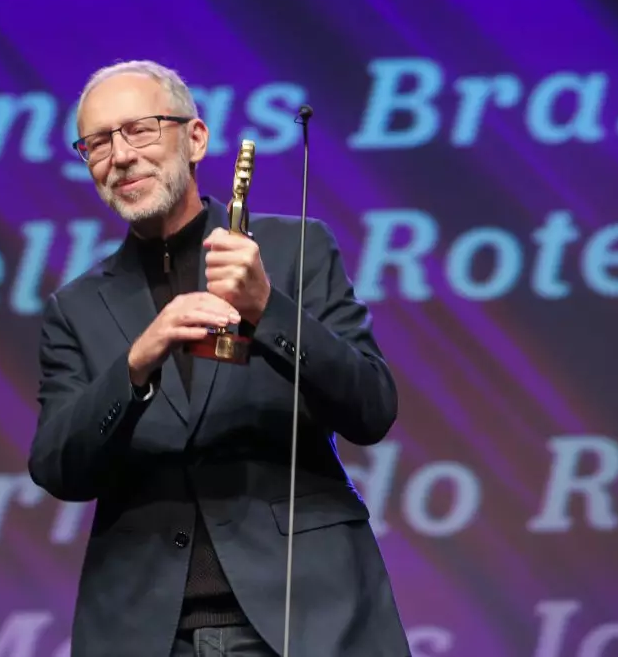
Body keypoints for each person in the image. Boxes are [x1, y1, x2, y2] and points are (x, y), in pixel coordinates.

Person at [27, 60, 410, 657]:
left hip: (308, 616)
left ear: (196, 138)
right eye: (97, 143)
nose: (120, 156)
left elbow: (372, 409)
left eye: (140, 129)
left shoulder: (292, 250)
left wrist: (267, 309)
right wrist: (135, 364)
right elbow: (58, 468)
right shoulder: (76, 307)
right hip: (149, 631)